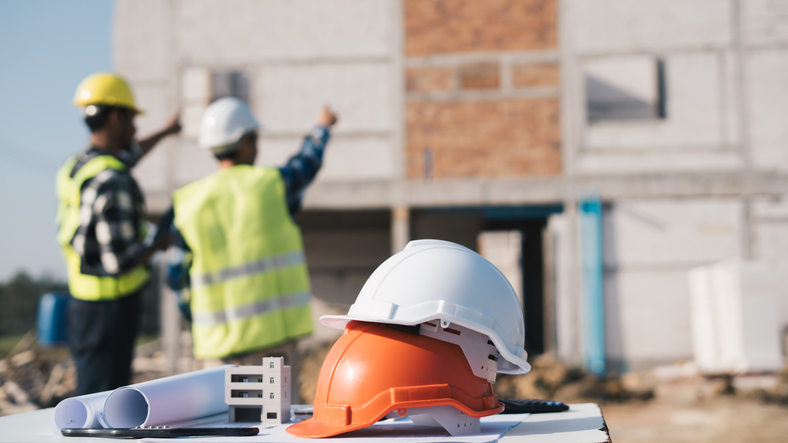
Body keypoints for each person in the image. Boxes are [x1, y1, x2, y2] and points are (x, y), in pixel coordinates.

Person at [166, 96, 337, 402]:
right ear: (244, 144)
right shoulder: (271, 185)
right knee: (274, 430)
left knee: (225, 431)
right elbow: (306, 163)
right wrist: (322, 128)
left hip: (217, 352)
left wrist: (200, 324)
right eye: (255, 139)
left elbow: (176, 277)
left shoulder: (188, 203)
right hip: (272, 348)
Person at [56, 72, 181, 395]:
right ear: (115, 116)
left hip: (84, 304)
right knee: (103, 404)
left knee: (92, 393)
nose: (135, 128)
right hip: (110, 312)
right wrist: (158, 244)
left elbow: (130, 153)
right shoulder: (114, 181)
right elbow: (121, 260)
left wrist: (167, 131)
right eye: (131, 119)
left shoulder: (77, 167)